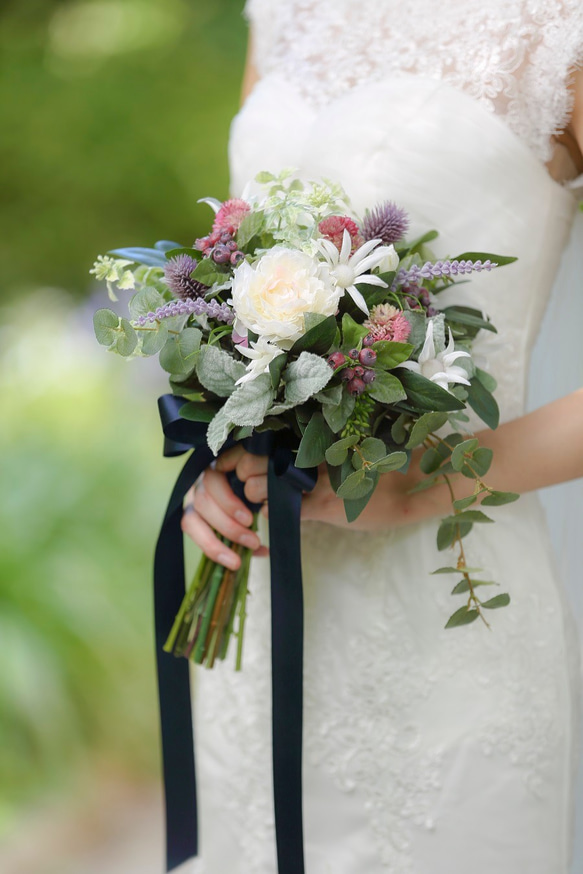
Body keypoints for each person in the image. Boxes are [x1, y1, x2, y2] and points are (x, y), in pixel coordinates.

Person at [181, 3, 583, 872]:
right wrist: (224, 459)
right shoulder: (280, 13)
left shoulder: (559, 28)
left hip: (449, 609)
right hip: (263, 613)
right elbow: (240, 269)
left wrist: (417, 485)